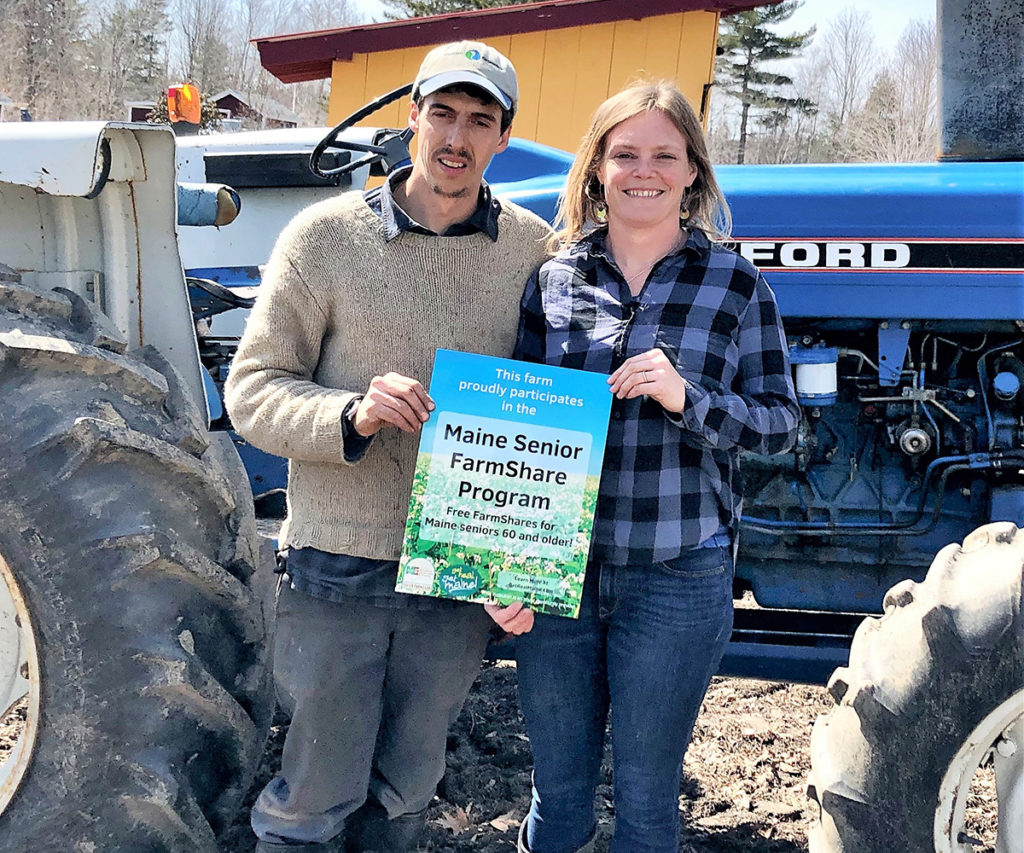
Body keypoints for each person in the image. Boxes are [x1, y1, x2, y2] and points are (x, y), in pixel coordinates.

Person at [225, 40, 548, 853]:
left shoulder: (533, 252)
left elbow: (547, 423)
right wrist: (350, 415)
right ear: (412, 118)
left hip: (457, 569)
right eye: (442, 112)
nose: (457, 136)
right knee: (317, 792)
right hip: (342, 561)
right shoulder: (325, 238)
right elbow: (252, 391)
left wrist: (521, 569)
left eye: (481, 120)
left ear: (503, 138)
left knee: (407, 788)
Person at [512, 81, 800, 853]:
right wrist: (501, 574)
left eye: (664, 155)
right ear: (598, 170)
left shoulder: (737, 285)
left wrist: (689, 397)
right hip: (557, 579)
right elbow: (512, 430)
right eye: (625, 153)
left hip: (678, 575)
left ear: (693, 174)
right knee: (557, 793)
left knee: (646, 801)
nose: (645, 170)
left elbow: (782, 427)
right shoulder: (553, 281)